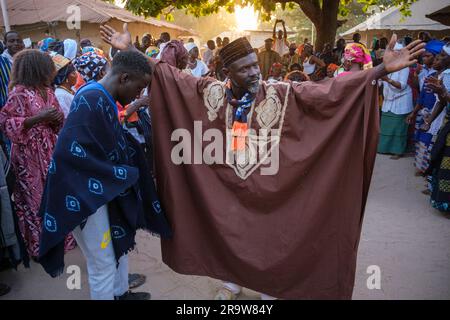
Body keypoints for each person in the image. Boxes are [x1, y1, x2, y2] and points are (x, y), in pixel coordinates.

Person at [100, 23, 425, 299]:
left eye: (256, 65)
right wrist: (131, 51)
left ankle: (270, 287)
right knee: (227, 234)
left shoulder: (278, 92)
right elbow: (167, 76)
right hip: (224, 189)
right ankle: (231, 280)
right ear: (228, 73)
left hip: (270, 186)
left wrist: (380, 69)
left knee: (269, 239)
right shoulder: (209, 93)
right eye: (245, 68)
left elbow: (325, 93)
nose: (255, 72)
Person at [38, 49, 172, 299]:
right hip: (81, 195)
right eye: (139, 87)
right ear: (124, 79)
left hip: (96, 191)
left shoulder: (103, 97)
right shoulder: (90, 100)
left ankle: (121, 293)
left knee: (114, 249)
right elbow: (73, 155)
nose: (139, 95)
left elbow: (109, 143)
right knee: (102, 263)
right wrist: (123, 173)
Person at [0, 50, 74, 260]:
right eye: (48, 68)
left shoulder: (48, 91)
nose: (53, 72)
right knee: (35, 201)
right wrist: (36, 119)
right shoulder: (19, 93)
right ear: (36, 69)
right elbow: (6, 124)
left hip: (49, 148)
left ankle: (62, 238)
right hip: (28, 155)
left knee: (55, 193)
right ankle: (41, 245)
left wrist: (55, 118)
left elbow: (59, 119)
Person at [406, 41, 445, 192]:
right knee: (421, 141)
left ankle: (428, 177)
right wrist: (415, 112)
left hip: (436, 117)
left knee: (430, 144)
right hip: (426, 113)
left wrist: (429, 118)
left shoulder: (443, 77)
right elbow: (422, 95)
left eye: (429, 56)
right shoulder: (430, 74)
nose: (424, 58)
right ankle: (422, 169)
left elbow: (440, 102)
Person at [420, 44, 450, 212]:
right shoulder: (444, 75)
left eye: (443, 56)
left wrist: (443, 92)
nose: (440, 58)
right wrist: (429, 121)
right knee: (441, 160)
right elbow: (443, 101)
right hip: (446, 124)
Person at [378, 42, 414, 159]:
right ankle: (384, 148)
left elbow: (401, 86)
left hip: (401, 100)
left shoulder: (404, 67)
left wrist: (387, 80)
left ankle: (398, 151)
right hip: (388, 100)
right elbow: (379, 81)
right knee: (386, 125)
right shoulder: (385, 65)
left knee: (398, 128)